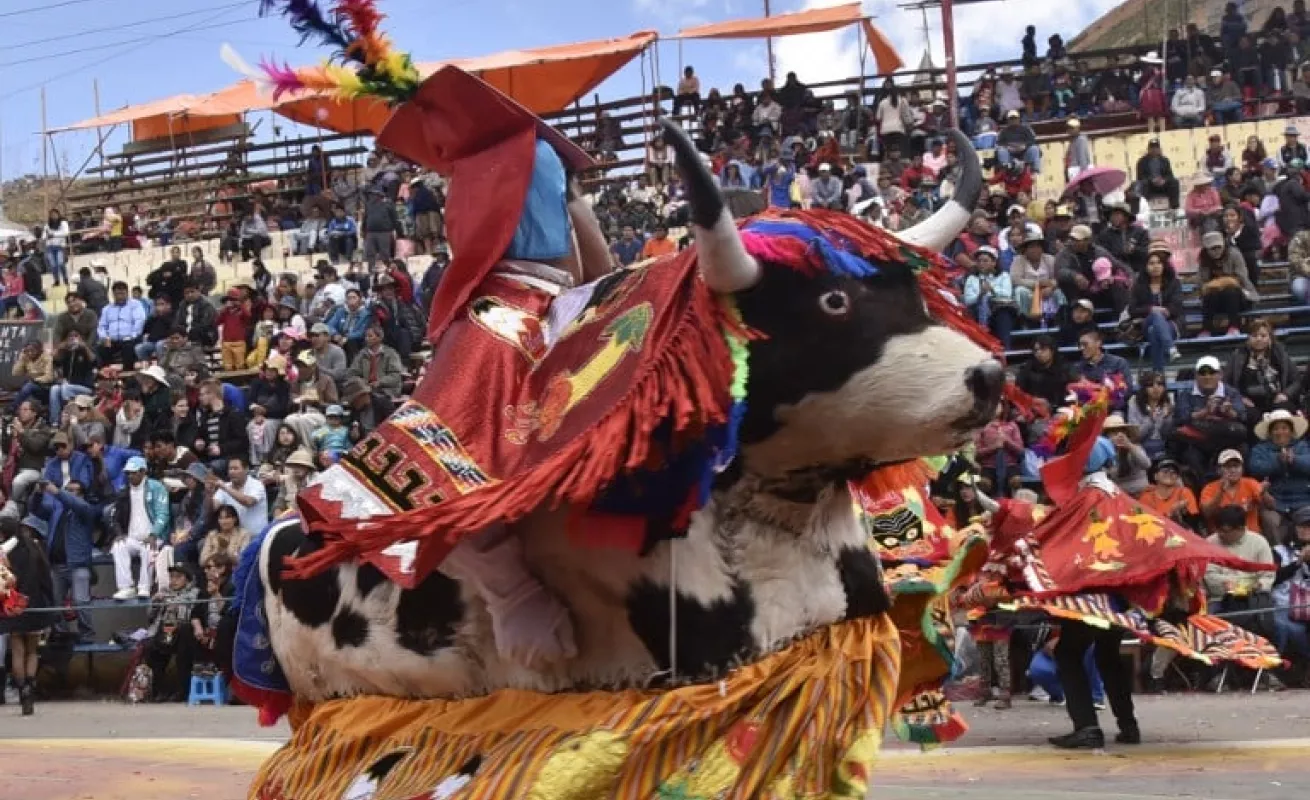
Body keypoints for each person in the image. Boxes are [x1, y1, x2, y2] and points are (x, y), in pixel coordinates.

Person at [0, 517, 58, 715]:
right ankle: (29, 690)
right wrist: (50, 602)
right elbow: (46, 578)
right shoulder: (35, 548)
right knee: (32, 651)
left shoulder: (3, 553)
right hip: (34, 604)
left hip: (14, 605)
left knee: (17, 651)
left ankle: (21, 688)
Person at [31, 479, 98, 643]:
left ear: (82, 494)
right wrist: (38, 493)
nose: (69, 492)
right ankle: (62, 634)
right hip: (57, 565)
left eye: (73, 490)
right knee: (54, 603)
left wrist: (57, 492)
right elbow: (35, 510)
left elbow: (77, 505)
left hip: (78, 564)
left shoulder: (85, 509)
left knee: (81, 601)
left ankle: (87, 635)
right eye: (67, 489)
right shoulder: (57, 509)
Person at [1174, 360, 1250, 485]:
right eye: (1202, 373)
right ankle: (1205, 490)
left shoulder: (1231, 392)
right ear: (1196, 376)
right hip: (1199, 439)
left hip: (1226, 437)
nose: (1207, 377)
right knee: (1189, 452)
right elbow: (1181, 418)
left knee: (1242, 441)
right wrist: (1204, 412)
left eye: (1212, 372)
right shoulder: (1187, 394)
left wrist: (1229, 412)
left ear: (1220, 374)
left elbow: (1242, 416)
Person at [109, 456, 171, 601]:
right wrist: (119, 533)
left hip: (153, 537)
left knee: (148, 549)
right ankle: (126, 587)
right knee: (118, 546)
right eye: (128, 473)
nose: (130, 476)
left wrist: (154, 533)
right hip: (131, 537)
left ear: (143, 471)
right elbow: (114, 516)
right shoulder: (123, 492)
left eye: (134, 472)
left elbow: (163, 513)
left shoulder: (156, 487)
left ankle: (145, 587)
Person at [143, 562, 200, 702]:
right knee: (150, 647)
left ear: (187, 579)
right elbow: (150, 617)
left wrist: (176, 607)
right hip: (163, 633)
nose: (173, 580)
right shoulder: (164, 592)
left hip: (182, 633)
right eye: (171, 577)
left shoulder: (195, 593)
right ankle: (159, 691)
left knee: (184, 646)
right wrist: (155, 603)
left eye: (178, 577)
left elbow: (193, 615)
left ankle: (182, 691)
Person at [1248, 410, 1310, 535]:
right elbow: (1255, 469)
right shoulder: (1260, 449)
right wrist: (1278, 461)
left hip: (1303, 500)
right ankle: (1277, 552)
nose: (1280, 432)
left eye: (1284, 428)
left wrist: (1295, 460)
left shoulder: (1302, 446)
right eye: (1276, 429)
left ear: (1291, 431)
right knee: (1270, 521)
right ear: (1270, 433)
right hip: (1274, 502)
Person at [1224, 318, 1299, 421]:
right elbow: (1226, 383)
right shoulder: (1238, 355)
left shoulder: (1280, 353)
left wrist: (1285, 394)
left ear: (1270, 337)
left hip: (1276, 399)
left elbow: (1296, 381)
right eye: (1254, 336)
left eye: (1263, 336)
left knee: (1283, 411)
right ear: (1249, 338)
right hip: (1249, 401)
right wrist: (1240, 398)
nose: (1259, 339)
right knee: (1249, 415)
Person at [1127, 243, 1184, 373]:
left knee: (1155, 330)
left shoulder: (1174, 283)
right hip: (1145, 324)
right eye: (1151, 263)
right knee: (1155, 316)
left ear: (1164, 265)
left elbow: (1177, 307)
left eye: (1158, 263)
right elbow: (1132, 310)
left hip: (1172, 324)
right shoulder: (1139, 286)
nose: (1155, 266)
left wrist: (1166, 312)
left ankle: (1158, 374)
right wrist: (1151, 310)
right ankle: (1170, 348)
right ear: (1146, 267)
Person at [1197, 230, 1258, 336]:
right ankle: (1206, 329)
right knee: (1211, 294)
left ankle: (1234, 327)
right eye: (1212, 248)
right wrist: (1223, 282)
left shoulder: (1234, 254)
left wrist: (1219, 283)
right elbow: (1202, 285)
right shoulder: (1204, 260)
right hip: (1215, 298)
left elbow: (1240, 279)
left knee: (1230, 291)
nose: (1216, 251)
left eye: (1218, 247)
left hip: (1240, 296)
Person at [208, 456, 268, 539]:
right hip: (232, 537)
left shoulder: (257, 485)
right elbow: (212, 508)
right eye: (230, 469)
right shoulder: (225, 486)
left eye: (235, 468)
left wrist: (225, 488)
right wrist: (209, 493)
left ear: (246, 469)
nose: (232, 472)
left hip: (255, 537)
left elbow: (248, 502)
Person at [1138, 457, 1199, 528]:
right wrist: (1171, 515)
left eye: (1174, 472)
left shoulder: (1184, 492)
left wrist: (1182, 516)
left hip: (1181, 534)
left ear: (1177, 478)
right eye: (1165, 471)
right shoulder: (1146, 497)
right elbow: (1143, 525)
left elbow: (1193, 523)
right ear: (1156, 476)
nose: (1170, 473)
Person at [348, 325, 404, 399]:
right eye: (366, 336)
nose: (366, 339)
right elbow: (352, 373)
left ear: (379, 338)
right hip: (365, 388)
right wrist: (361, 382)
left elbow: (395, 375)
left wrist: (379, 382)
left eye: (370, 336)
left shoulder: (391, 353)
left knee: (374, 397)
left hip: (387, 389)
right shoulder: (362, 354)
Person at [1127, 371, 1173, 460]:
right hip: (1142, 445)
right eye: (1150, 385)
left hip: (1162, 445)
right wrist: (1150, 419)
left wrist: (1167, 418)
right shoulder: (1134, 402)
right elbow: (1135, 436)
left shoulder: (1167, 403)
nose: (1156, 388)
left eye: (1160, 384)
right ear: (1144, 388)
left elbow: (1167, 435)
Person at [1015, 336, 1072, 409]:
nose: (1038, 353)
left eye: (1043, 349)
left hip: (1060, 409)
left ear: (1052, 350)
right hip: (1033, 408)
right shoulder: (1027, 369)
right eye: (1036, 350)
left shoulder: (1064, 369)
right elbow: (1019, 393)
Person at [1103, 414, 1151, 495]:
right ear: (1106, 436)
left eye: (1121, 432)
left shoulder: (1135, 447)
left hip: (1140, 492)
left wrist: (1129, 445)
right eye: (1114, 433)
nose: (1118, 435)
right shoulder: (1104, 453)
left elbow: (1146, 464)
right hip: (1118, 495)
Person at [216, 289, 253, 372]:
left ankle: (240, 381)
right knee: (227, 366)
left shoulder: (242, 311)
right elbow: (217, 322)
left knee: (240, 365)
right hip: (226, 342)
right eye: (230, 300)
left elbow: (248, 317)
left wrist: (241, 306)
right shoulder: (225, 312)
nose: (232, 302)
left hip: (239, 342)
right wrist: (224, 309)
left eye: (234, 299)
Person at [42, 209, 70, 287]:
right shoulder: (47, 225)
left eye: (55, 214)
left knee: (61, 263)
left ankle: (65, 278)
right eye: (52, 215)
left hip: (60, 246)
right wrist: (47, 236)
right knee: (53, 265)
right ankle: (56, 280)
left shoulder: (63, 223)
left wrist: (54, 235)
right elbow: (43, 236)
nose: (53, 216)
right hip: (50, 247)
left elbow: (66, 232)